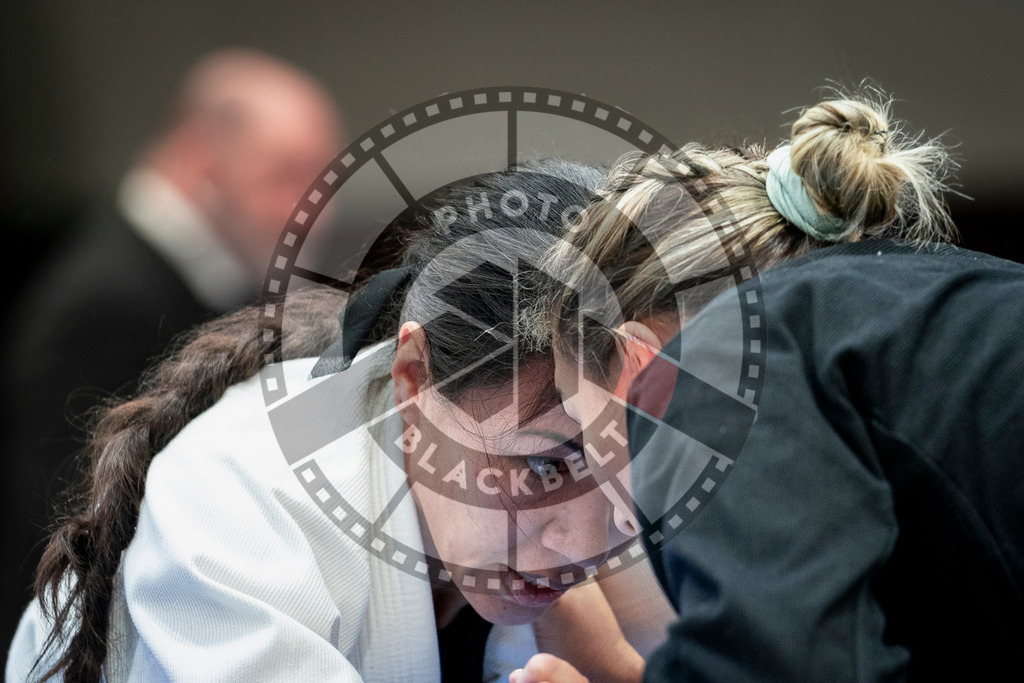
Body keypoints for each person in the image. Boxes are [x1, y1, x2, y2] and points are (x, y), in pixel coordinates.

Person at [5, 161, 670, 682]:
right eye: (543, 464)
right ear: (414, 378)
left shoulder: (562, 529)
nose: (585, 543)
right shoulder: (238, 510)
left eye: (624, 469)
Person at [514, 93, 1024, 681]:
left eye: (582, 441)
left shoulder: (723, 366)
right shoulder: (953, 306)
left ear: (638, 366)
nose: (610, 521)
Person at [0, 47, 342, 652]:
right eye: (287, 174)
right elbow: (64, 537)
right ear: (199, 160)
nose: (316, 210)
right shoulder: (109, 302)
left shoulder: (175, 282)